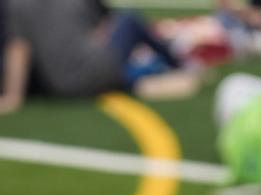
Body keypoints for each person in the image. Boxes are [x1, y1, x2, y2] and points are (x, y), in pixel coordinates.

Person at [0, 0, 195, 114]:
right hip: (99, 73)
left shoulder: (13, 5)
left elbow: (18, 49)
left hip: (57, 85)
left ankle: (140, 80)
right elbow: (104, 26)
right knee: (129, 19)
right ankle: (180, 64)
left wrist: (13, 96)